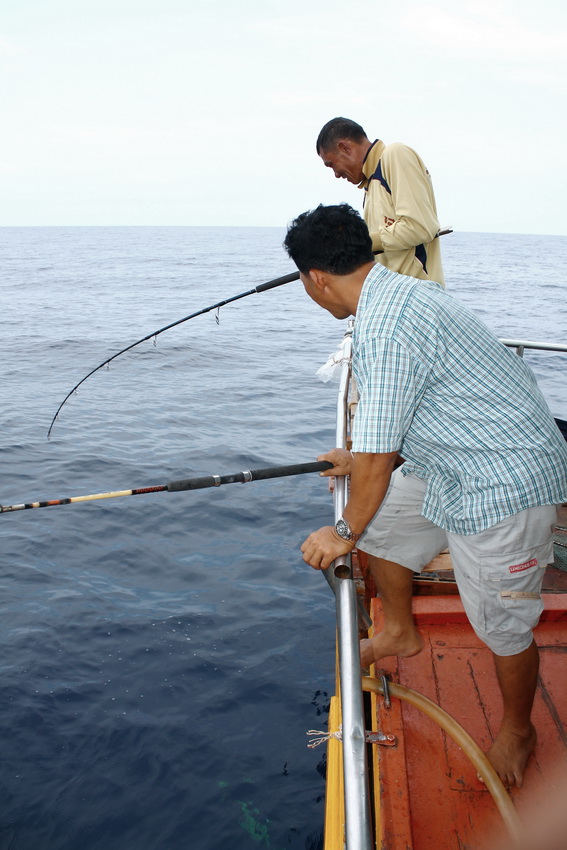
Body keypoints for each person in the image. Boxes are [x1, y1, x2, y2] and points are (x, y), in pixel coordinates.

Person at [283, 203, 567, 789]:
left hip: (503, 479)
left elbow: (381, 459)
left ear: (314, 278)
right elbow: (400, 423)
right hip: (446, 457)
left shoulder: (386, 326)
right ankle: (398, 633)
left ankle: (518, 726)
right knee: (383, 525)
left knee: (502, 622)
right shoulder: (395, 294)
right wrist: (354, 456)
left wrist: (340, 533)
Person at [316, 117, 445, 285]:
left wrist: (359, 242)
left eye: (331, 165)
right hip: (396, 296)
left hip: (418, 294)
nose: (336, 174)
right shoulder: (371, 184)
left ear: (345, 147)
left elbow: (419, 227)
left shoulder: (395, 154)